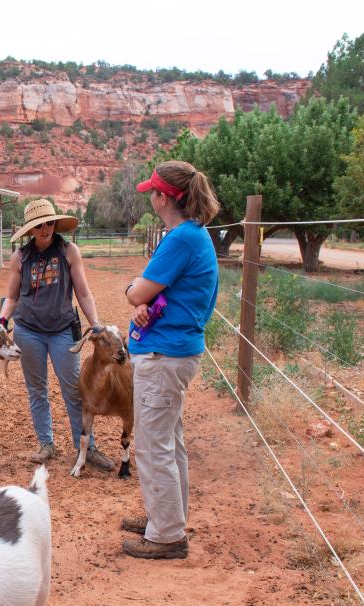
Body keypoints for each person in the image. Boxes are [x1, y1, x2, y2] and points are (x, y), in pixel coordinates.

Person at [121, 161, 220, 559]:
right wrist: (143, 304)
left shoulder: (180, 239)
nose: (150, 197)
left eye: (153, 192)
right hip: (174, 350)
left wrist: (135, 295)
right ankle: (165, 518)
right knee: (169, 441)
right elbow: (155, 296)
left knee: (153, 445)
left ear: (164, 197)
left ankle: (166, 536)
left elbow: (138, 291)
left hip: (164, 356)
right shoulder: (195, 236)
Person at [0, 198, 113, 469]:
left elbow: (82, 292)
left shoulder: (69, 251)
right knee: (37, 389)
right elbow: (12, 296)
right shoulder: (20, 257)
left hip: (63, 330)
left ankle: (87, 446)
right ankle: (46, 444)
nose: (45, 229)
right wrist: (2, 320)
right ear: (30, 230)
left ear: (55, 223)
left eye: (49, 223)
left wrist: (95, 323)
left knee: (73, 389)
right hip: (28, 331)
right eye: (39, 225)